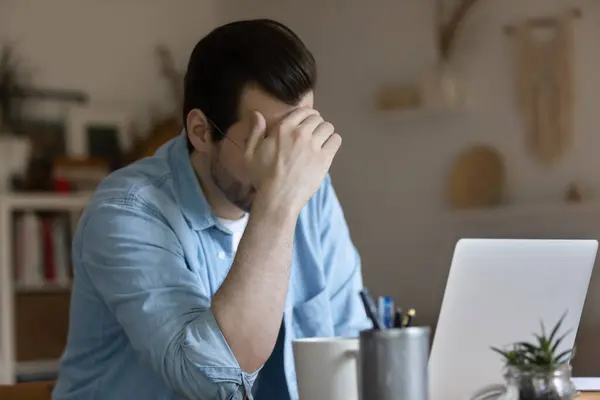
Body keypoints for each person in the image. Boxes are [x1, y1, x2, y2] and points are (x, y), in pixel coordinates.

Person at [52, 19, 370, 400]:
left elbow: (352, 343)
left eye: (297, 134)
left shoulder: (311, 195)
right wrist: (277, 204)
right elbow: (213, 382)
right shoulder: (125, 213)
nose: (284, 159)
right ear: (202, 132)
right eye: (266, 139)